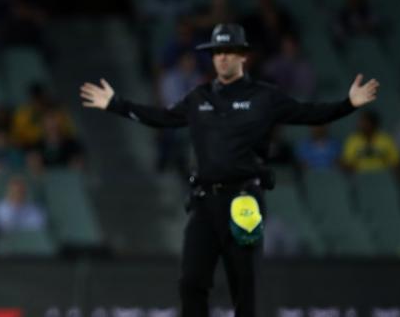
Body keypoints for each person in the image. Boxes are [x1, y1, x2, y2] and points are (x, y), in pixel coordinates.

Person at [80, 23, 379, 317]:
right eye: (217, 51)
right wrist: (115, 104)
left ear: (242, 56)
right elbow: (162, 118)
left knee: (244, 287)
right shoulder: (199, 99)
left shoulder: (265, 97)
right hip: (204, 202)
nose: (222, 57)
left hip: (244, 200)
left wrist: (348, 104)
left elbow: (309, 114)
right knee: (191, 282)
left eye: (229, 50)